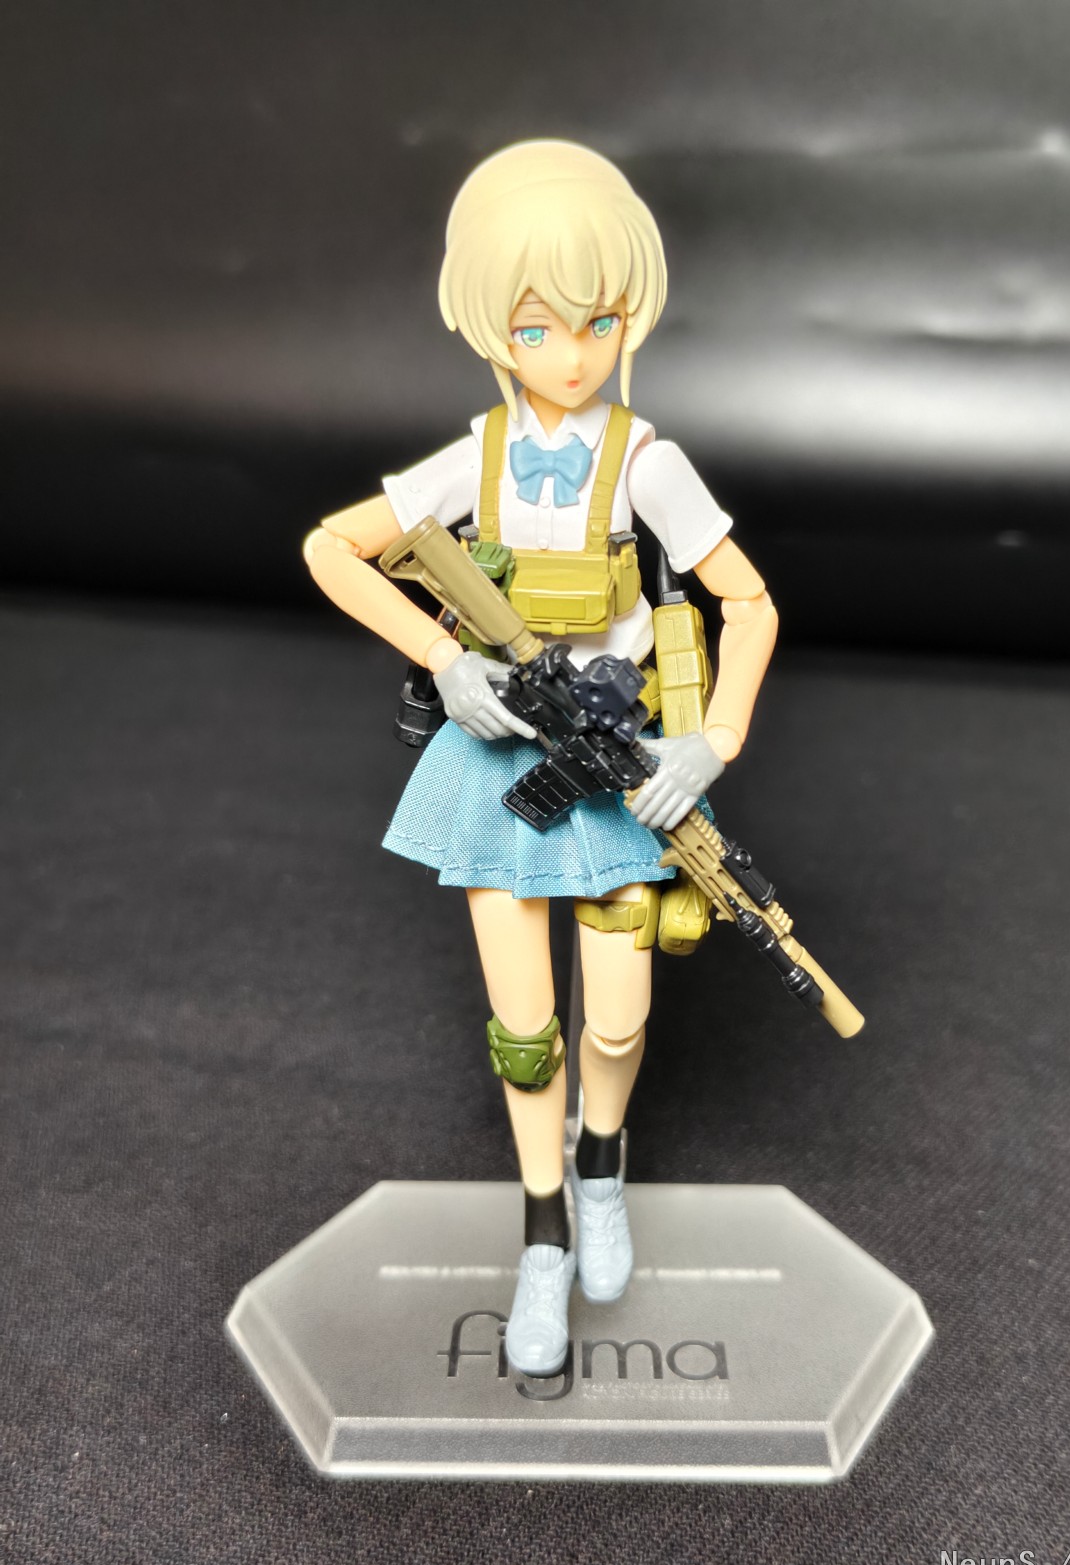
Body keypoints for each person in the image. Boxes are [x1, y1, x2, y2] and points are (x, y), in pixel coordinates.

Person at [304, 140, 778, 1377]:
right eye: (536, 326)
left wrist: (713, 740)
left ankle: (602, 1162)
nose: (571, 354)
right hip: (501, 770)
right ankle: (544, 1231)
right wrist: (445, 658)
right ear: (490, 327)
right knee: (526, 1032)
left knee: (615, 1026)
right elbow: (330, 548)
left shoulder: (646, 462)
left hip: (620, 770)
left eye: (598, 321)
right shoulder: (474, 459)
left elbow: (750, 602)